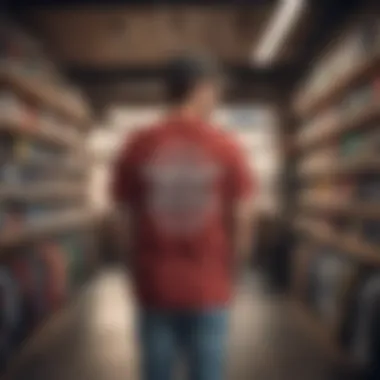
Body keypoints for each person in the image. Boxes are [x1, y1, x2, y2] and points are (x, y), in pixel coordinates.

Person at [111, 54, 255, 380]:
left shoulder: (137, 144)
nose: (217, 99)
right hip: (209, 286)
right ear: (200, 89)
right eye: (216, 90)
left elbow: (122, 218)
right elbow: (243, 218)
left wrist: (131, 270)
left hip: (155, 285)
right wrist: (236, 271)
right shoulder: (227, 146)